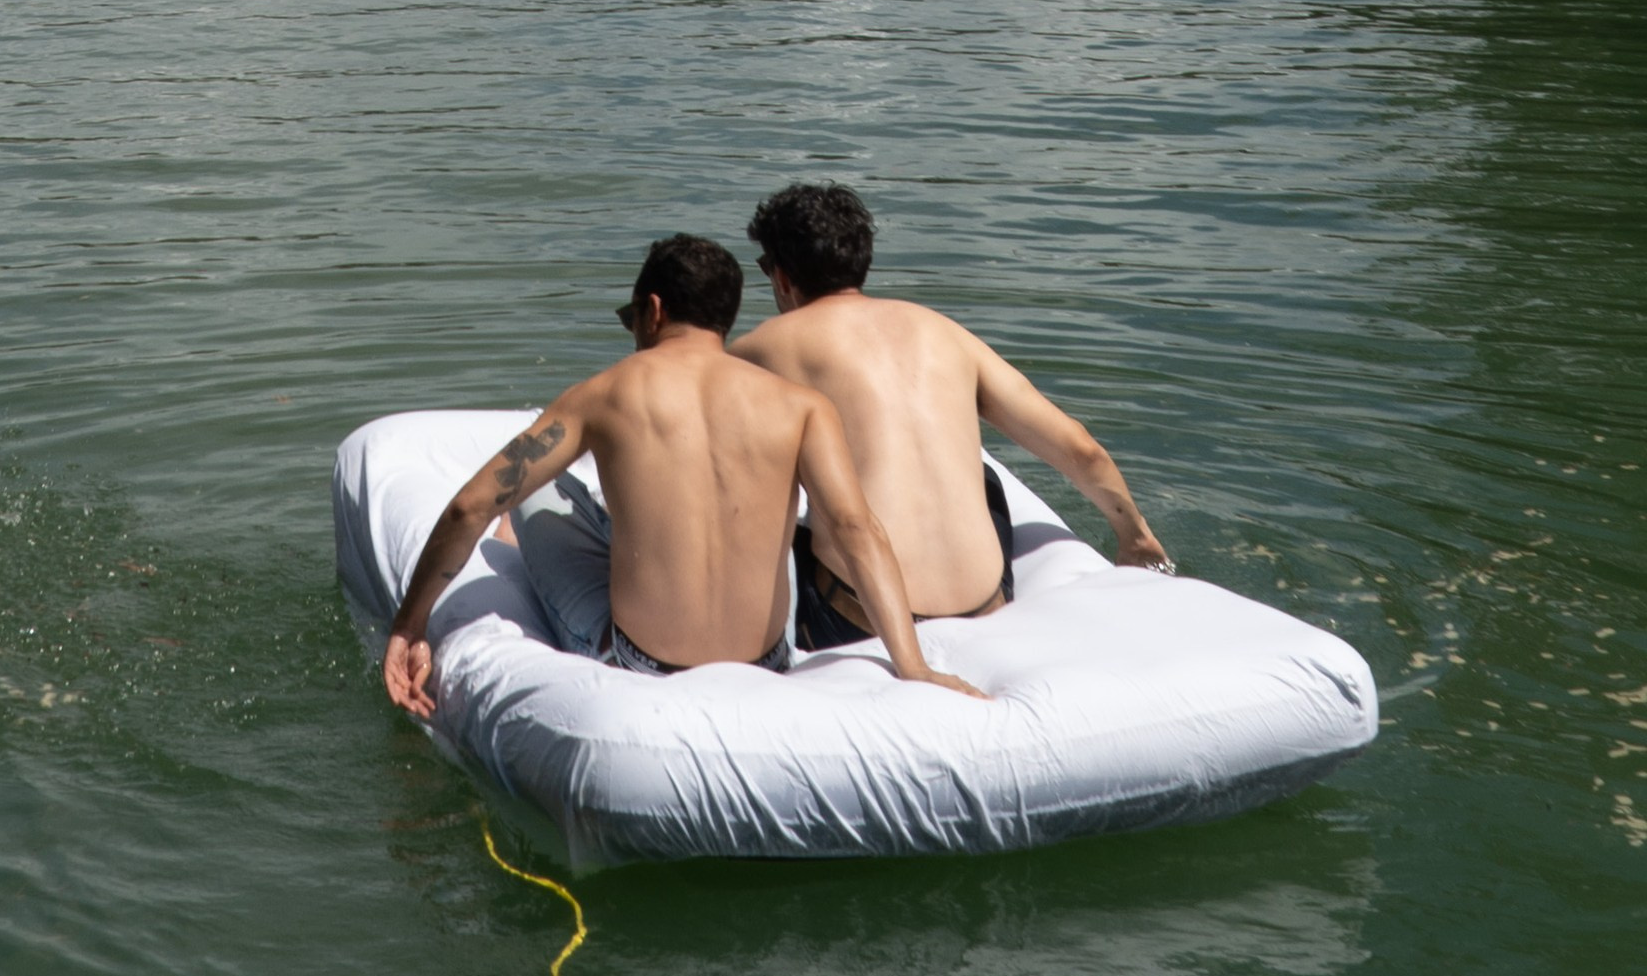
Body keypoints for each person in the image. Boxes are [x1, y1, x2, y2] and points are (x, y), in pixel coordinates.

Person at [381, 231, 987, 718]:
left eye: (631, 317)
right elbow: (857, 529)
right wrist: (913, 666)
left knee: (536, 499)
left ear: (653, 310)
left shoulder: (603, 395)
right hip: (768, 661)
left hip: (642, 665)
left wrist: (410, 626)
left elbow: (468, 507)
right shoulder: (800, 406)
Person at [734, 180, 1173, 644]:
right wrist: (1136, 537)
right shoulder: (945, 333)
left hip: (855, 617)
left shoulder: (761, 348)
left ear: (782, 277)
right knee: (987, 482)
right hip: (988, 603)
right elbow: (1081, 450)